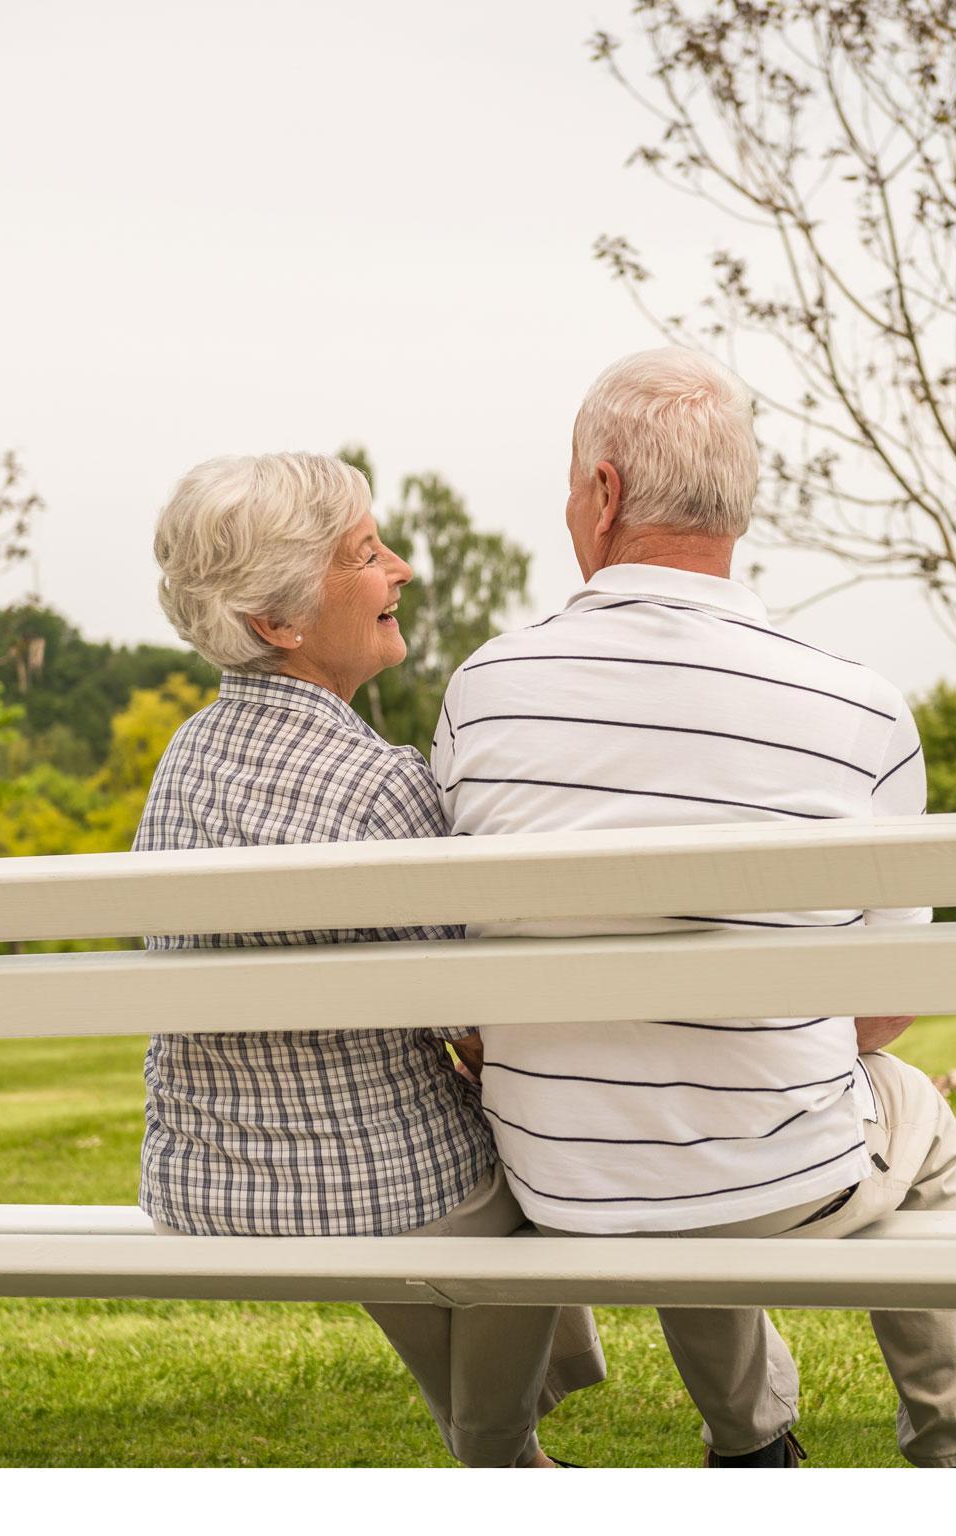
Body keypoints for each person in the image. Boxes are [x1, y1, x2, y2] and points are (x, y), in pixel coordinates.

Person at [432, 349, 956, 1469]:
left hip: (559, 1174)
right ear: (735, 504)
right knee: (892, 1113)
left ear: (600, 493)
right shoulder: (855, 706)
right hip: (764, 1174)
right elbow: (886, 1009)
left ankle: (752, 1443)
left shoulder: (485, 688)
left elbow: (462, 965)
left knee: (703, 1105)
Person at [135, 450, 605, 1467]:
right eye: (367, 554)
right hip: (373, 1187)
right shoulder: (377, 785)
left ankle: (510, 1453)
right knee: (542, 1181)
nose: (400, 571)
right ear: (279, 622)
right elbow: (472, 1020)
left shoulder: (179, 760)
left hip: (201, 1179)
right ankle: (498, 1452)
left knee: (397, 1171)